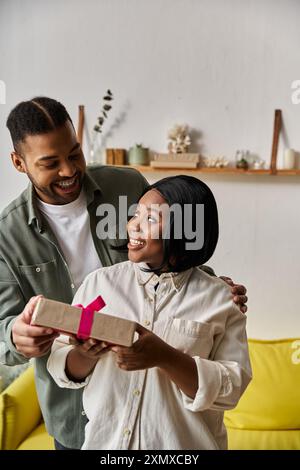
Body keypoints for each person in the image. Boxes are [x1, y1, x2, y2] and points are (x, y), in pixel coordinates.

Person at [0, 97, 248, 450]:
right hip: (75, 415)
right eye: (50, 163)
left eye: (74, 154)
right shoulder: (7, 236)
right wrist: (17, 336)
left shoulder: (125, 185)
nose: (69, 170)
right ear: (19, 162)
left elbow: (174, 240)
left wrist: (212, 286)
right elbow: (8, 332)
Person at [47, 175, 252, 450]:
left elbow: (232, 388)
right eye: (135, 215)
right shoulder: (99, 285)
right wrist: (85, 354)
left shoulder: (222, 299)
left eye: (151, 219)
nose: (133, 226)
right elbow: (60, 364)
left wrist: (165, 357)